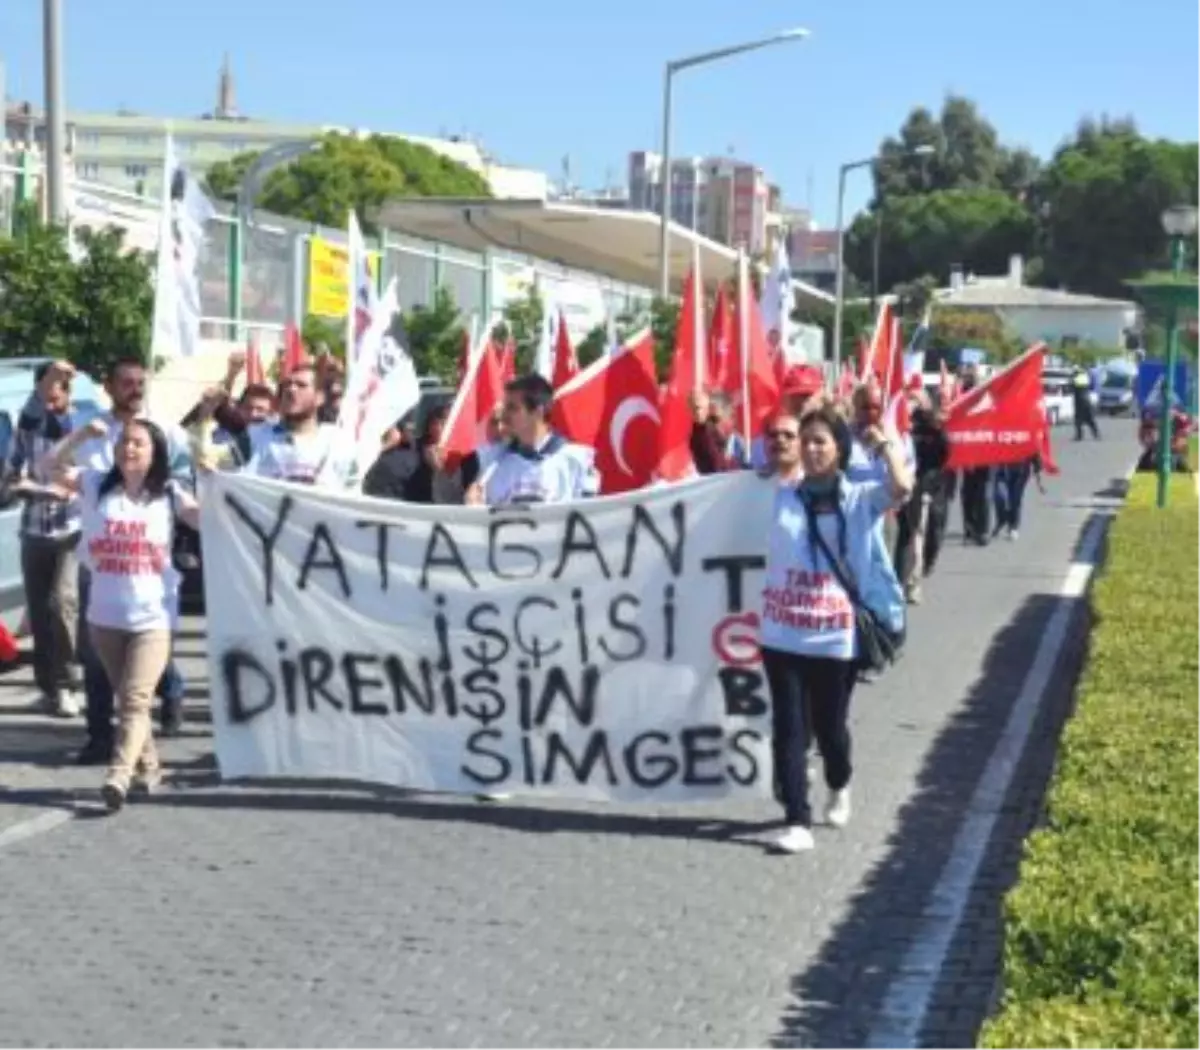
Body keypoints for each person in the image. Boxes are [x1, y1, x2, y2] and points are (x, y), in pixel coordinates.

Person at [760, 402, 912, 853]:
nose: (809, 449)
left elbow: (902, 486)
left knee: (831, 729)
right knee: (788, 726)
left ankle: (839, 780)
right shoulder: (780, 494)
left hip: (835, 636)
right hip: (782, 631)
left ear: (839, 449)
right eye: (804, 441)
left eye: (819, 441)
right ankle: (796, 819)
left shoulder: (860, 499)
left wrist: (884, 444)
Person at [42, 415, 201, 812]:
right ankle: (149, 765)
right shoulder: (97, 484)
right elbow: (49, 466)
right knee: (129, 701)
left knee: (135, 699)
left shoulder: (169, 493)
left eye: (139, 444)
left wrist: (216, 481)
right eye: (124, 442)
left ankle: (118, 775)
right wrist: (81, 435)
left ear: (155, 453)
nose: (129, 449)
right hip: (105, 617)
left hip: (153, 618)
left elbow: (208, 517)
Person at [465, 374, 598, 801]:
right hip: (508, 589)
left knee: (554, 679)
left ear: (540, 411)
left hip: (558, 589)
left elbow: (597, 521)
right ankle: (508, 765)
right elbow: (471, 523)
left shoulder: (578, 459)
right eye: (504, 408)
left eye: (514, 408)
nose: (504, 416)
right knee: (509, 678)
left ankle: (559, 750)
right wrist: (472, 509)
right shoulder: (492, 461)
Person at [70, 356, 193, 760]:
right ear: (109, 386)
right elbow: (64, 473)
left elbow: (183, 478)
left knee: (150, 645)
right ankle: (101, 734)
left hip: (146, 551)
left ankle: (169, 692)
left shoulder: (165, 430)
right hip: (100, 555)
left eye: (141, 382)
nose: (135, 389)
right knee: (96, 653)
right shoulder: (92, 433)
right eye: (126, 382)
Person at [0, 360, 82, 716]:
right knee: (38, 611)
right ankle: (48, 684)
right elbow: (11, 478)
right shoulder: (27, 428)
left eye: (60, 390)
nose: (53, 397)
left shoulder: (78, 428)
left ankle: (67, 683)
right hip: (34, 529)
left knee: (63, 605)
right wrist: (37, 488)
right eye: (48, 390)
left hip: (69, 532)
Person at [194, 361, 355, 488]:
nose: (291, 390)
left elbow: (356, 493)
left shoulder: (339, 443)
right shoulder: (255, 437)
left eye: (301, 385)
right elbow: (207, 460)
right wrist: (205, 415)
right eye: (287, 385)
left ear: (320, 398)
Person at [895, 391, 949, 602]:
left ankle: (915, 579)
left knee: (923, 536)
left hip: (926, 489)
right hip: (902, 488)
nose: (913, 405)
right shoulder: (901, 427)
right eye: (910, 400)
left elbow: (945, 454)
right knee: (906, 539)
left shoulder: (934, 429)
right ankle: (906, 583)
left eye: (917, 400)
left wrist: (937, 427)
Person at [687, 389, 748, 474]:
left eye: (714, 419)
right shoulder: (701, 435)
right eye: (693, 409)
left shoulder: (739, 442)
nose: (697, 412)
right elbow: (716, 465)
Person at [992, 455, 1044, 540]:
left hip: (1021, 471)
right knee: (999, 496)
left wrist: (1039, 481)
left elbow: (1035, 452)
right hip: (1002, 469)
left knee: (1015, 498)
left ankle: (1013, 526)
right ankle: (1002, 519)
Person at [1072, 366, 1100, 441]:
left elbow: (1072, 388)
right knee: (1090, 420)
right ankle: (1096, 434)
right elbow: (1091, 387)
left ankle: (1079, 436)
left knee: (1078, 421)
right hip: (1086, 401)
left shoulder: (1076, 379)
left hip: (1079, 402)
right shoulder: (1085, 378)